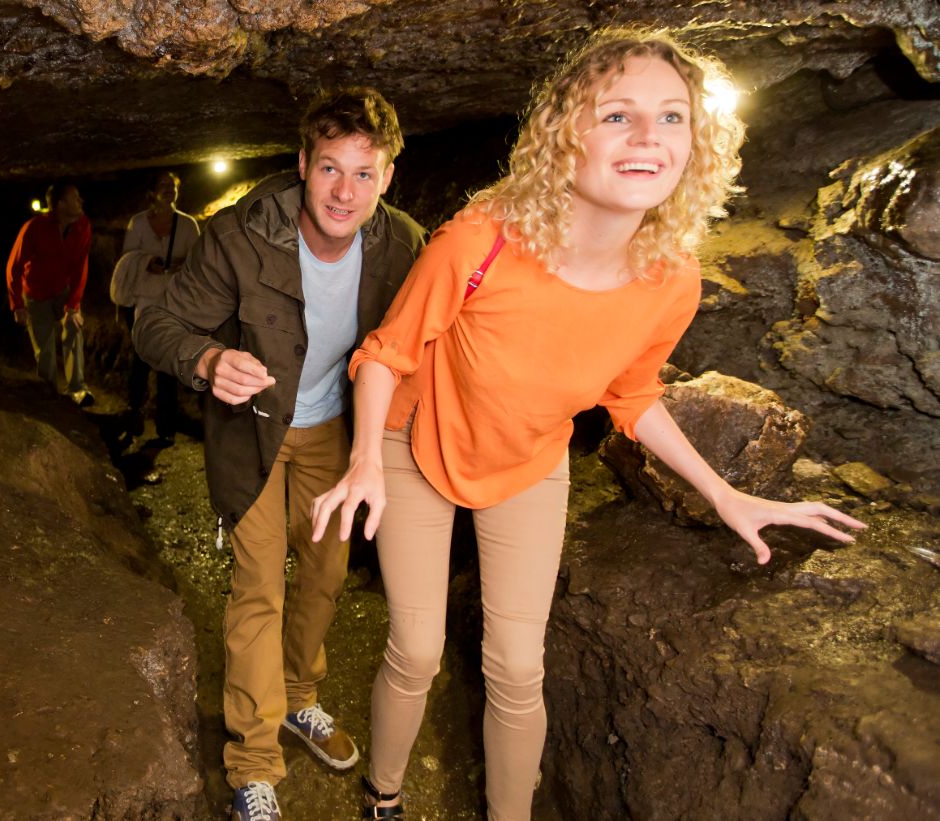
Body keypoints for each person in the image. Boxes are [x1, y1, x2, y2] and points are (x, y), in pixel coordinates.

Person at [308, 29, 867, 821]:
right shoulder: (481, 240)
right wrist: (365, 458)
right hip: (414, 442)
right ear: (566, 132)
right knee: (419, 649)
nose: (649, 138)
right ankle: (383, 797)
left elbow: (632, 396)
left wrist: (725, 494)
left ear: (698, 142)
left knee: (517, 667)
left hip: (531, 460)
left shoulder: (672, 278)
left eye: (673, 118)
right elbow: (384, 355)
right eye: (618, 116)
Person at [134, 88, 425, 821]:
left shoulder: (404, 246)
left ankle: (300, 698)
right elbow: (154, 322)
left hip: (337, 435)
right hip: (255, 431)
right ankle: (253, 763)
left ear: (387, 177)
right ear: (303, 165)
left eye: (364, 173)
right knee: (258, 587)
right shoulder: (239, 235)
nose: (344, 191)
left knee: (325, 574)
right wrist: (204, 360)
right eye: (330, 169)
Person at [115, 170, 200, 444]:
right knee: (140, 360)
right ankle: (133, 416)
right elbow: (127, 260)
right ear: (152, 192)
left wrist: (181, 265)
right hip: (145, 301)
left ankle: (166, 428)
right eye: (163, 185)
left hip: (174, 303)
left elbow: (199, 262)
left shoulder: (187, 226)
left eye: (172, 185)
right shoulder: (138, 223)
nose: (168, 189)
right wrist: (146, 262)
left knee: (168, 364)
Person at [6, 180, 94, 406]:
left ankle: (77, 389)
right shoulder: (34, 227)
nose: (80, 201)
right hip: (35, 294)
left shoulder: (83, 225)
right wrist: (17, 305)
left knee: (74, 328)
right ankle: (49, 394)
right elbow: (14, 266)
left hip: (62, 289)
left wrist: (73, 304)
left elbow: (80, 266)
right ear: (61, 204)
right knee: (44, 348)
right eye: (75, 198)